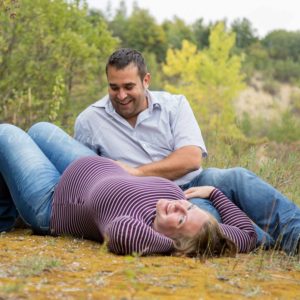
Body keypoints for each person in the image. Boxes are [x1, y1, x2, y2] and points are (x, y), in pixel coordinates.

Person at [74, 48, 300, 255]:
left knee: (237, 176)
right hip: (155, 202)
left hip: (195, 180)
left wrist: (136, 173)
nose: (121, 95)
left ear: (146, 80)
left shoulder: (175, 105)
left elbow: (191, 159)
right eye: (114, 87)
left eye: (129, 87)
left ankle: (296, 234)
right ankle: (264, 238)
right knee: (205, 220)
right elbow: (84, 176)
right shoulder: (89, 121)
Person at [0, 122, 257, 257]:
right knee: (40, 129)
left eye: (180, 219)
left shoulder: (132, 228)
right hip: (88, 166)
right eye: (188, 208)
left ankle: (5, 214)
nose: (179, 205)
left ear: (178, 244)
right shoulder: (203, 232)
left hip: (54, 200)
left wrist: (174, 248)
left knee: (6, 133)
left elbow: (122, 235)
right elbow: (247, 234)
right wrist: (214, 194)